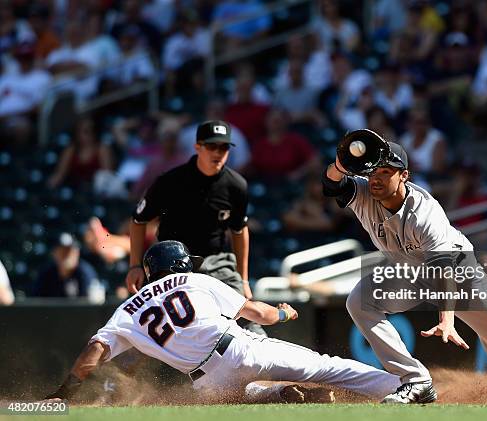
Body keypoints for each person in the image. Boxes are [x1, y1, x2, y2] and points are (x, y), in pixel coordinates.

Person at [322, 130, 487, 404]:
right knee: (359, 302)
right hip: (408, 272)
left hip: (458, 270)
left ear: (404, 175)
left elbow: (444, 270)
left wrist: (446, 319)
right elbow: (331, 185)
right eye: (373, 172)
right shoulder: (365, 192)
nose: (376, 179)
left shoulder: (425, 213)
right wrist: (340, 164)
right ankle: (415, 380)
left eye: (386, 172)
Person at [44, 241, 402, 403]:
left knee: (243, 395)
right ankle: (399, 388)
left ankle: (277, 394)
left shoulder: (129, 309)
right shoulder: (195, 280)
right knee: (327, 368)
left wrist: (65, 393)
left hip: (207, 383)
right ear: (180, 265)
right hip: (241, 351)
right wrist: (283, 313)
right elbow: (260, 315)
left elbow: (95, 351)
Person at [126, 120, 262, 334]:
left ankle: (262, 362)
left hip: (214, 261)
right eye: (212, 146)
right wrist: (135, 265)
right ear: (198, 146)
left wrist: (243, 278)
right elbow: (138, 220)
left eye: (224, 147)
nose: (218, 152)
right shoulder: (170, 181)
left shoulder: (236, 185)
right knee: (148, 326)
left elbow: (239, 230)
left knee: (248, 319)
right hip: (170, 265)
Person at [34, 233, 101, 298]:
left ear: (77, 253)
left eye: (69, 251)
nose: (66, 256)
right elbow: (37, 302)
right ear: (54, 253)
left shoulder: (85, 273)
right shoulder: (47, 273)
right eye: (62, 251)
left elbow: (91, 305)